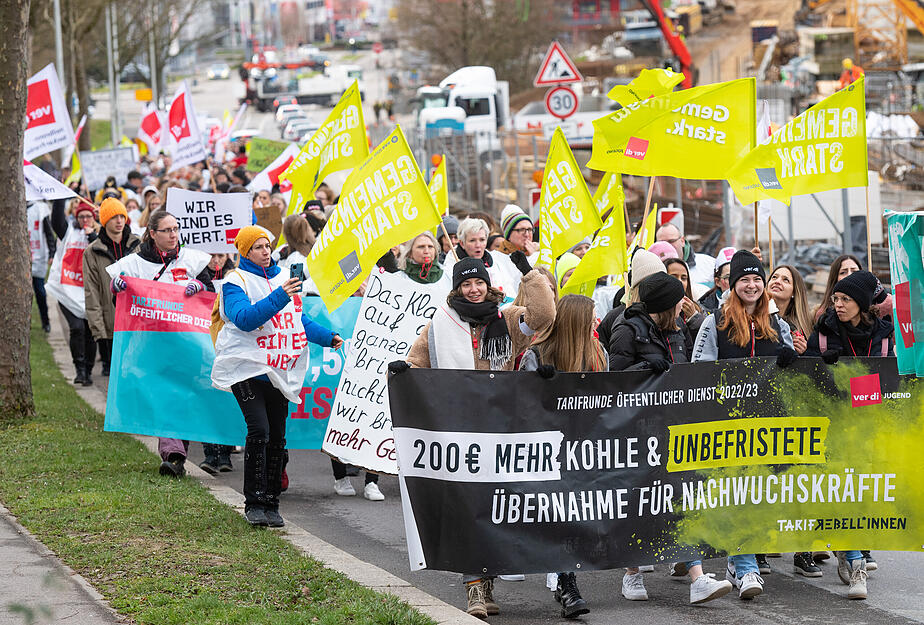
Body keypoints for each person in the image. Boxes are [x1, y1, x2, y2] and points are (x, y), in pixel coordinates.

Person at [394, 258, 556, 618]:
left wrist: (529, 274)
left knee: (495, 509)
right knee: (467, 509)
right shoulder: (440, 324)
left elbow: (544, 315)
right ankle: (474, 589)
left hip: (501, 430)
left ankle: (487, 580)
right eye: (466, 284)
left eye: (478, 283)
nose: (473, 290)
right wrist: (404, 372)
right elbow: (418, 363)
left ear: (488, 284)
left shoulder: (508, 320)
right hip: (459, 431)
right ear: (457, 288)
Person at [609, 272, 734, 605]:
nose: (684, 305)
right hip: (637, 430)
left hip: (675, 428)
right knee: (639, 502)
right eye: (678, 301)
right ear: (665, 304)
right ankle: (632, 573)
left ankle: (697, 578)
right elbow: (611, 381)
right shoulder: (627, 330)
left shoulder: (677, 330)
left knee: (683, 499)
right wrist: (645, 370)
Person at [211, 226, 343, 527]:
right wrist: (280, 295)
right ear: (245, 252)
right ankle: (254, 502)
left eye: (267, 246)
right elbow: (244, 319)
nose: (265, 252)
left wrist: (327, 337)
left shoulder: (284, 277)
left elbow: (297, 320)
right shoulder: (235, 282)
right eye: (258, 247)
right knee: (259, 430)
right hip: (246, 367)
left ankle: (272, 502)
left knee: (277, 437)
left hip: (279, 368)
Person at [692, 250, 796, 600]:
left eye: (756, 279)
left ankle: (737, 564)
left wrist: (790, 359)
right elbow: (699, 372)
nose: (751, 285)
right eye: (744, 280)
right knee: (736, 493)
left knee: (757, 496)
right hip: (727, 426)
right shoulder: (715, 322)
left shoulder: (777, 323)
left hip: (767, 426)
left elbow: (791, 373)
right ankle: (746, 566)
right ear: (732, 284)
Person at [108, 210, 214, 478]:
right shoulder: (133, 264)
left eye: (176, 229)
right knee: (165, 394)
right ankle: (174, 454)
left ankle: (179, 453)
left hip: (187, 343)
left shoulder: (193, 260)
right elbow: (123, 303)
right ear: (152, 233)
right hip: (152, 345)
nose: (173, 235)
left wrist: (199, 287)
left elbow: (210, 293)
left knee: (182, 395)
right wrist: (116, 288)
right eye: (167, 230)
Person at [518, 294, 605, 618]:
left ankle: (566, 582)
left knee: (574, 517)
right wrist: (538, 386)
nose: (596, 321)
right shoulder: (537, 354)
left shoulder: (599, 353)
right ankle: (566, 585)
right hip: (547, 452)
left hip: (585, 450)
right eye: (591, 316)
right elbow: (519, 403)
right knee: (558, 515)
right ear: (577, 321)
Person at [83, 198, 141, 377]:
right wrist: (98, 330)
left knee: (135, 372)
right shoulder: (92, 252)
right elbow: (91, 292)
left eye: (122, 216)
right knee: (113, 375)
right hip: (109, 324)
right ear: (104, 220)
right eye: (114, 217)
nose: (119, 221)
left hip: (137, 322)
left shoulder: (138, 245)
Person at [48, 198, 99, 385]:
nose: (85, 220)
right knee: (77, 328)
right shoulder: (69, 232)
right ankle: (79, 369)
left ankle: (89, 371)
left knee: (90, 333)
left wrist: (92, 237)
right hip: (68, 292)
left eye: (88, 216)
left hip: (90, 294)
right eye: (81, 216)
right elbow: (56, 220)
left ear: (94, 218)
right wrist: (60, 195)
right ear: (76, 218)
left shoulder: (99, 236)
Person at [199, 252, 239, 474]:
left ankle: (225, 454)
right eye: (211, 256)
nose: (216, 260)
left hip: (228, 346)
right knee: (207, 400)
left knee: (227, 399)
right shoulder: (196, 274)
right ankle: (209, 454)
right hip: (203, 342)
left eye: (220, 255)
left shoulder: (236, 276)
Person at [655, 223, 715, 295]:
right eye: (662, 242)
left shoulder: (709, 265)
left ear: (682, 241)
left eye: (671, 241)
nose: (667, 246)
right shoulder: (653, 270)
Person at [768, 265, 813, 356]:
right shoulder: (753, 315)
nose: (777, 281)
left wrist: (804, 353)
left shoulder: (799, 329)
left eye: (785, 280)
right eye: (774, 277)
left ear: (794, 292)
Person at [28, 201, 55, 333]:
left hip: (38, 256)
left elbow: (49, 232)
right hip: (23, 257)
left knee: (40, 291)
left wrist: (52, 252)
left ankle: (46, 321)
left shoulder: (40, 209)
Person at [664, 258, 705, 340]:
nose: (680, 281)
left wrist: (694, 318)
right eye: (674, 277)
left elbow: (705, 339)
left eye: (683, 278)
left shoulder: (697, 308)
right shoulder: (658, 310)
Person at [814, 254, 861, 322]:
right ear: (835, 278)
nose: (850, 275)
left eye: (854, 271)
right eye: (843, 272)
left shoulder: (871, 307)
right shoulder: (824, 315)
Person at [698, 246, 736, 314]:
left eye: (739, 277)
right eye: (728, 277)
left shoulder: (752, 303)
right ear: (717, 282)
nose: (735, 282)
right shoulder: (703, 309)